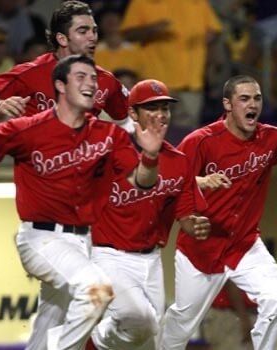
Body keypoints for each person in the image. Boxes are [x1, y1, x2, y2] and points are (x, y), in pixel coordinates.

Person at [0, 54, 166, 350]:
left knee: (51, 322)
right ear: (60, 85)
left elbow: (140, 182)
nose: (91, 83)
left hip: (83, 242)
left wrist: (151, 157)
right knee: (96, 291)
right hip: (42, 239)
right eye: (81, 77)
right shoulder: (31, 128)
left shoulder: (109, 135)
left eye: (93, 78)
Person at [159, 74, 277, 350]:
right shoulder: (201, 141)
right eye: (244, 98)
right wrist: (197, 192)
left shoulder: (269, 138)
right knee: (181, 322)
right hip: (201, 250)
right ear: (228, 104)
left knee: (275, 299)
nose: (252, 104)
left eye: (257, 98)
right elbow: (169, 180)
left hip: (244, 244)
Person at [87, 79, 210, 349]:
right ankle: (91, 341)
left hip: (151, 259)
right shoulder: (109, 151)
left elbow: (185, 213)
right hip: (109, 254)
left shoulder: (179, 161)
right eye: (151, 108)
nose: (161, 114)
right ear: (132, 114)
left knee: (148, 337)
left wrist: (194, 225)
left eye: (165, 108)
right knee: (140, 319)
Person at [0, 0, 132, 132]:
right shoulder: (31, 72)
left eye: (94, 31)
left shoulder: (106, 80)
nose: (92, 37)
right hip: (38, 164)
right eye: (83, 31)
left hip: (83, 165)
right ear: (62, 39)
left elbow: (128, 120)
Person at [120, 0, 223, 129]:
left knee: (186, 135)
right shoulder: (143, 2)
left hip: (191, 83)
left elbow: (214, 30)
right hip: (155, 83)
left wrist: (208, 41)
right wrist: (151, 29)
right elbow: (128, 34)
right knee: (152, 132)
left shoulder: (198, 2)